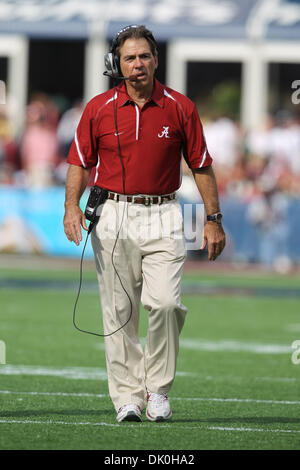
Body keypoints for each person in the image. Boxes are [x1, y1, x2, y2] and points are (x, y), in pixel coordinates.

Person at [63, 25, 225, 423]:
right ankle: (128, 398)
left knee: (166, 304)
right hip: (112, 213)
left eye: (144, 56)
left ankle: (157, 390)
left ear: (156, 60)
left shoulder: (181, 107)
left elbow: (201, 164)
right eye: (129, 58)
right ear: (116, 64)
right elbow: (80, 162)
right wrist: (71, 206)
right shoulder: (98, 107)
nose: (138, 64)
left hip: (166, 213)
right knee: (119, 312)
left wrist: (213, 219)